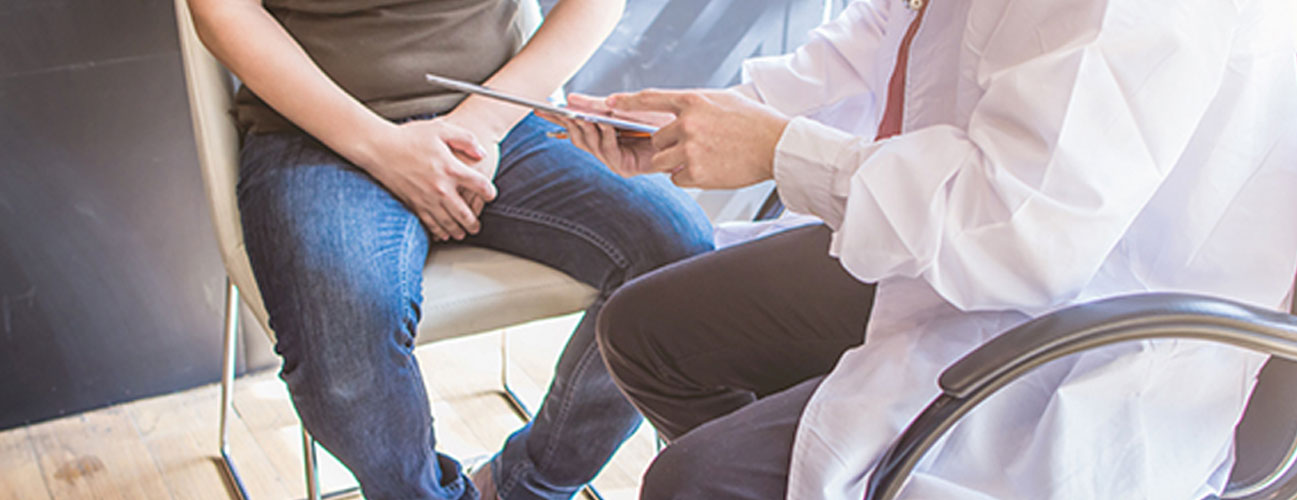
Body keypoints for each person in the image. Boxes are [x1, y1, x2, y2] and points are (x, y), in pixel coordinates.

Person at [550, 0, 1297, 498]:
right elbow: (886, 33)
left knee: (695, 482)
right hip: (961, 249)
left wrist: (780, 151)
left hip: (1083, 328)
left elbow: (1026, 237)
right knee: (646, 333)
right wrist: (703, 121)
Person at [186, 0, 714, 499]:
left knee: (678, 255)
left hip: (502, 117)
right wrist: (381, 148)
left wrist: (479, 126)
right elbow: (223, 11)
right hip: (319, 131)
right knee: (344, 327)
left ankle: (525, 488)